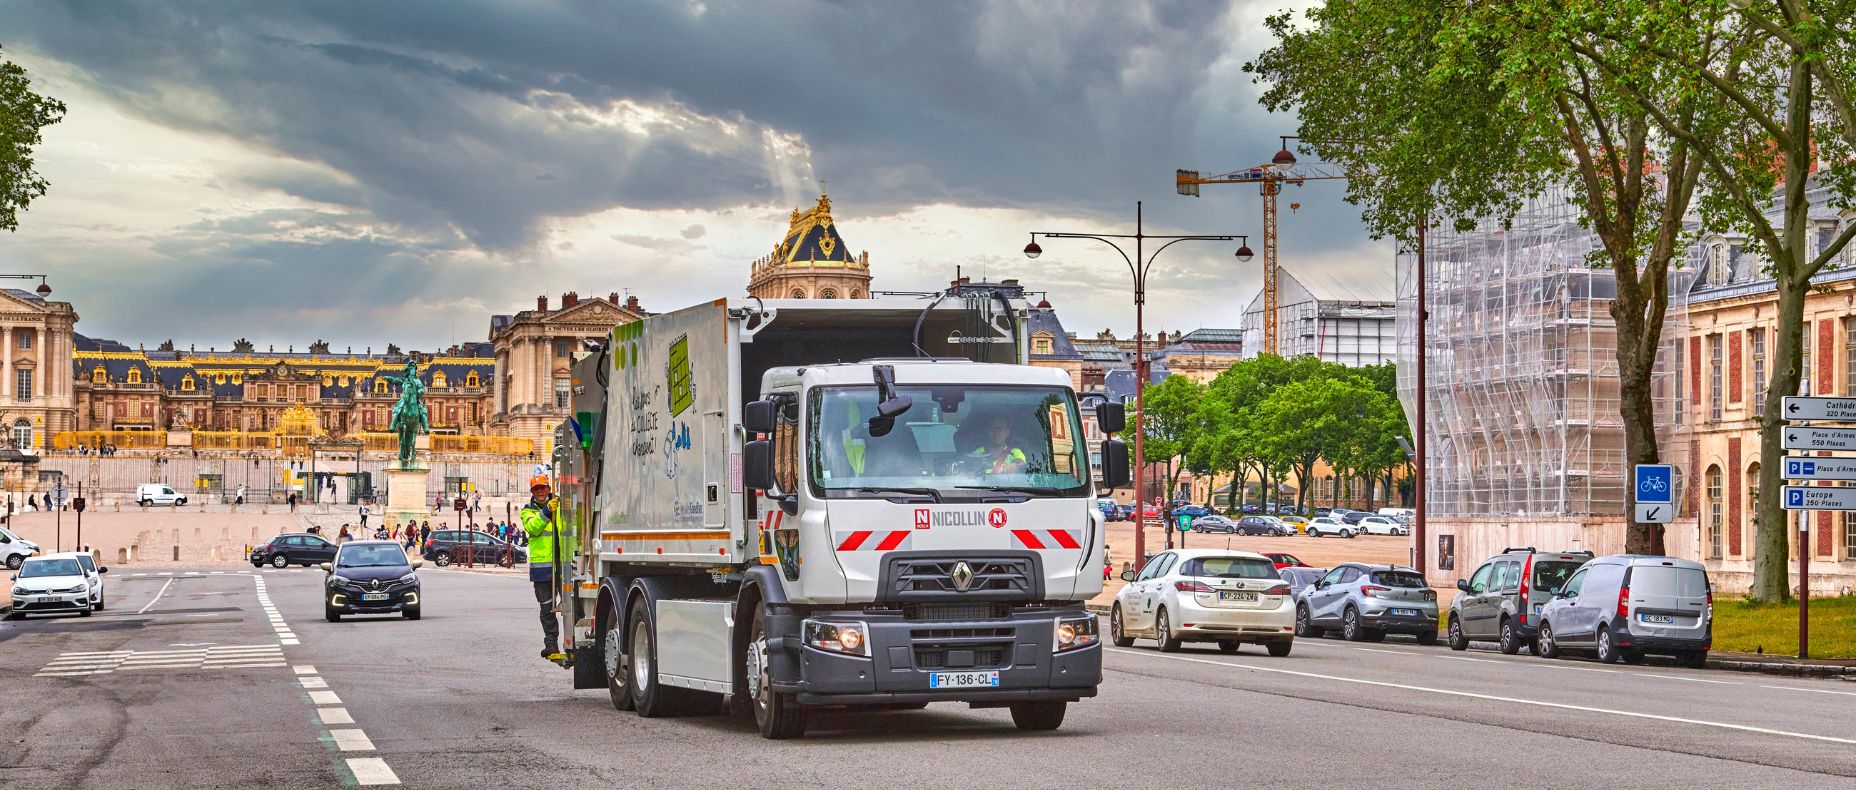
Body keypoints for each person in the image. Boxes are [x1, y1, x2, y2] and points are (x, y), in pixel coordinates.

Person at [520, 474, 564, 660]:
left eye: (543, 487)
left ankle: (575, 644)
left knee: (572, 607)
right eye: (536, 488)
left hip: (564, 565)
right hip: (542, 569)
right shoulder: (527, 511)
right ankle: (551, 644)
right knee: (547, 609)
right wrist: (546, 511)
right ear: (532, 491)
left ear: (548, 488)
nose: (540, 491)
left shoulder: (562, 506)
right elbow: (533, 527)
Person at [964, 415, 1028, 474]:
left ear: (1007, 432)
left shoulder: (1015, 452)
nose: (997, 432)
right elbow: (968, 471)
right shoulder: (977, 453)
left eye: (1001, 428)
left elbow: (1020, 463)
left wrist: (1014, 465)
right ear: (987, 431)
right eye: (993, 428)